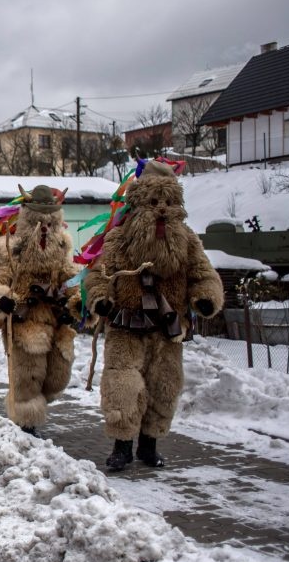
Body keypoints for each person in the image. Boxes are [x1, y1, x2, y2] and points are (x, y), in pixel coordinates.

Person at [82, 160, 223, 471]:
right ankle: (121, 447)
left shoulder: (186, 239)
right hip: (126, 326)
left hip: (167, 329)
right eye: (153, 202)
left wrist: (205, 298)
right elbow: (99, 274)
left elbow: (204, 274)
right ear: (138, 202)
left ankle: (149, 445)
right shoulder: (119, 237)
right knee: (123, 386)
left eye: (168, 202)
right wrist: (101, 298)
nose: (161, 209)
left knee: (163, 387)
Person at [0, 185, 80, 438]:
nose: (45, 228)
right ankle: (26, 426)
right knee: (29, 377)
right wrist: (0, 298)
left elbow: (71, 276)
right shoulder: (11, 248)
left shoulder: (62, 248)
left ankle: (34, 408)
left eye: (50, 221)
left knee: (57, 378)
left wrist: (79, 299)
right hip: (24, 322)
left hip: (57, 321)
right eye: (39, 220)